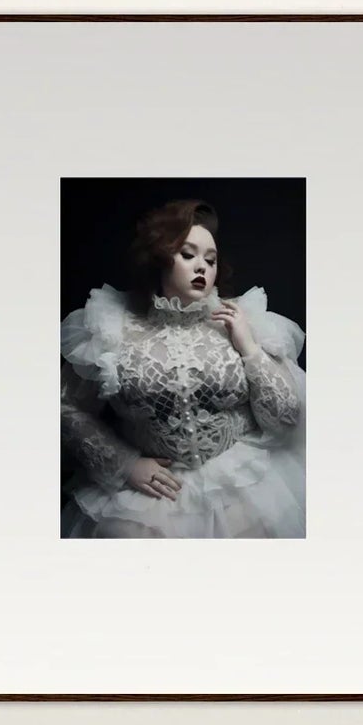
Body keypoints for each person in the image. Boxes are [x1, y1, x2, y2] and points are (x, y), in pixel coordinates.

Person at [60, 198, 307, 539]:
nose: (202, 267)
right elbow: (65, 406)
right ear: (159, 258)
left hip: (244, 486)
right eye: (188, 255)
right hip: (151, 501)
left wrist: (248, 347)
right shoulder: (109, 327)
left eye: (211, 259)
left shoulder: (244, 319)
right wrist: (124, 464)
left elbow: (285, 417)